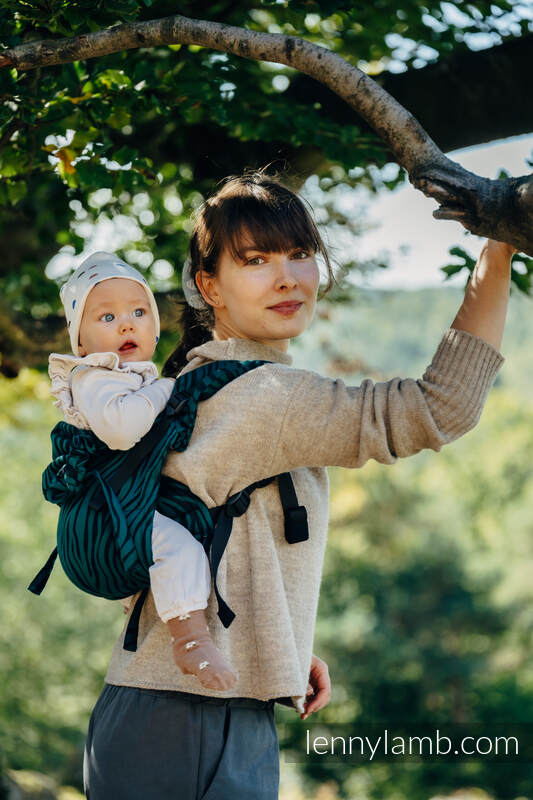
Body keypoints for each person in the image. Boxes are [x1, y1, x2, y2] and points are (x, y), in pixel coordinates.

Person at [83, 170, 514, 800]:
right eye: (256, 260)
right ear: (210, 287)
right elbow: (439, 408)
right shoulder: (268, 394)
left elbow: (196, 532)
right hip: (196, 722)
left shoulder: (181, 388)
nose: (287, 276)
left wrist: (273, 636)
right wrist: (498, 250)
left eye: (301, 253)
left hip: (157, 710)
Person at [48, 251, 238, 690]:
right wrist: (166, 390)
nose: (127, 324)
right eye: (107, 316)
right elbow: (123, 430)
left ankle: (162, 603)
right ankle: (190, 640)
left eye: (138, 312)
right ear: (81, 342)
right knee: (178, 546)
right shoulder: (93, 377)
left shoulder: (130, 378)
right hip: (101, 512)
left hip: (119, 501)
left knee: (176, 539)